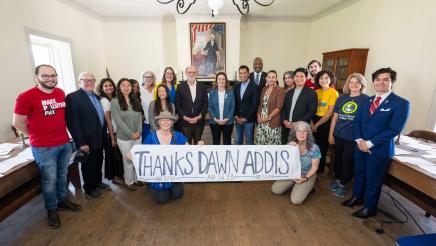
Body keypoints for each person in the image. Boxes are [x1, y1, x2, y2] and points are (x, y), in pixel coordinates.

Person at [13, 64, 81, 228]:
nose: (50, 79)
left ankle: (63, 200)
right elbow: (18, 123)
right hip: (44, 148)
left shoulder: (60, 93)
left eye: (53, 75)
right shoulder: (26, 96)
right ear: (37, 78)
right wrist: (34, 136)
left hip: (64, 143)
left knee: (62, 174)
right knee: (49, 180)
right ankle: (52, 209)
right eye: (45, 76)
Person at [343, 68, 410, 218]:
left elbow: (394, 129)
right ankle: (357, 197)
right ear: (373, 82)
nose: (381, 82)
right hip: (360, 146)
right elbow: (358, 122)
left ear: (392, 82)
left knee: (373, 179)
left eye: (386, 79)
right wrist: (360, 141)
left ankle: (369, 208)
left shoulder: (401, 103)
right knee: (359, 173)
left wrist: (370, 143)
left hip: (379, 149)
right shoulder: (366, 100)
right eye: (378, 79)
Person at [65, 72, 109, 199]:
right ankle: (89, 188)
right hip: (86, 140)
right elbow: (73, 123)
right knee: (88, 164)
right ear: (79, 82)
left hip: (99, 136)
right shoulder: (73, 97)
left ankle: (97, 182)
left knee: (98, 161)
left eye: (92, 80)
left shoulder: (95, 96)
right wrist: (81, 142)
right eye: (86, 80)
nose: (90, 82)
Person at [327, 73, 369, 197]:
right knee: (338, 159)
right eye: (351, 82)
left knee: (347, 160)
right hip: (339, 134)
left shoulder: (366, 100)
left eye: (357, 82)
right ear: (347, 84)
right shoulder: (341, 98)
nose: (354, 85)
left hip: (353, 137)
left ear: (362, 84)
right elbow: (334, 118)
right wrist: (331, 134)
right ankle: (338, 180)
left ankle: (343, 184)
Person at [271, 121, 321, 205]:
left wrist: (305, 178)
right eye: (299, 131)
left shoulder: (314, 148)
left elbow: (315, 167)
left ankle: (309, 186)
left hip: (307, 174)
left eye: (304, 131)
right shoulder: (291, 145)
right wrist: (289, 149)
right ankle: (294, 184)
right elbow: (284, 164)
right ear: (295, 133)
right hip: (292, 173)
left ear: (308, 134)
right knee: (275, 190)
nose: (301, 133)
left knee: (296, 200)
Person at [111, 78, 143, 191]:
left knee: (137, 158)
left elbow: (140, 118)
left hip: (138, 136)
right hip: (124, 138)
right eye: (123, 85)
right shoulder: (115, 102)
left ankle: (136, 179)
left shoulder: (136, 101)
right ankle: (129, 182)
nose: (126, 87)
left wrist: (139, 132)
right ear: (119, 87)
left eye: (128, 85)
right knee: (128, 160)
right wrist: (130, 134)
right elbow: (118, 121)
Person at [97, 78, 124, 185]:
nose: (109, 87)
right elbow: (108, 120)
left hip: (117, 130)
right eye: (106, 86)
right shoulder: (104, 100)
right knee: (112, 156)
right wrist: (113, 138)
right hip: (110, 132)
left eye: (110, 85)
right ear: (102, 88)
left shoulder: (114, 98)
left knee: (117, 155)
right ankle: (114, 177)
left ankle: (119, 174)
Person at [312, 70, 339, 176]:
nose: (324, 80)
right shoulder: (316, 92)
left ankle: (320, 171)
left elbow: (329, 114)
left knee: (322, 148)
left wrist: (316, 125)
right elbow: (312, 109)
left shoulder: (333, 92)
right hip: (313, 120)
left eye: (326, 78)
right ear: (318, 80)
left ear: (331, 79)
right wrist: (311, 123)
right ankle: (312, 167)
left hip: (324, 122)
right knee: (313, 146)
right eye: (321, 78)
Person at [281, 67, 318, 145]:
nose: (299, 78)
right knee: (286, 149)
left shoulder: (311, 93)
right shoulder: (289, 92)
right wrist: (284, 121)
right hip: (286, 127)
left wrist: (297, 123)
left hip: (301, 128)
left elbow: (312, 111)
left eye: (302, 76)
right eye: (297, 76)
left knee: (299, 151)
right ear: (294, 78)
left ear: (306, 78)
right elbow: (283, 108)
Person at [176, 66, 208, 145]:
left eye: (194, 72)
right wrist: (184, 117)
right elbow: (178, 104)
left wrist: (199, 116)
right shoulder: (180, 87)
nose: (192, 74)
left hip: (199, 121)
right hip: (185, 122)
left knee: (198, 144)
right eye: (189, 72)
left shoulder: (203, 87)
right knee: (187, 144)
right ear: (186, 73)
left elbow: (206, 104)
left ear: (197, 73)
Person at [255, 70, 285, 145]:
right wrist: (258, 115)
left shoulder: (280, 90)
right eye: (269, 77)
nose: (271, 79)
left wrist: (268, 117)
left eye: (273, 77)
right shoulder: (264, 89)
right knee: (261, 144)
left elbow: (279, 107)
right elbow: (260, 104)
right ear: (266, 79)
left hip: (273, 121)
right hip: (261, 121)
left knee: (272, 146)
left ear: (276, 79)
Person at [234, 65, 259, 145]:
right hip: (238, 119)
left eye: (244, 73)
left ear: (248, 74)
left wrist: (246, 118)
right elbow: (235, 102)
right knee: (238, 140)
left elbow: (255, 105)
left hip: (249, 120)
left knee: (249, 141)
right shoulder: (236, 86)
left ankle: (250, 157)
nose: (242, 75)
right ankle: (239, 157)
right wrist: (236, 116)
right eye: (240, 73)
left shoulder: (254, 86)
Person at [208, 72, 235, 145]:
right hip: (215, 122)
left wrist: (227, 118)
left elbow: (232, 107)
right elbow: (210, 107)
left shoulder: (230, 92)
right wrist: (215, 119)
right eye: (219, 79)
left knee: (227, 142)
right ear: (216, 80)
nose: (221, 81)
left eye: (223, 79)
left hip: (228, 122)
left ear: (226, 81)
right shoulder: (212, 93)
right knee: (216, 142)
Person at [139, 71, 156, 141]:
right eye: (146, 77)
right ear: (143, 78)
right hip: (145, 123)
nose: (148, 79)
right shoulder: (139, 90)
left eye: (150, 77)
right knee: (147, 143)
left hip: (157, 122)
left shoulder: (156, 89)